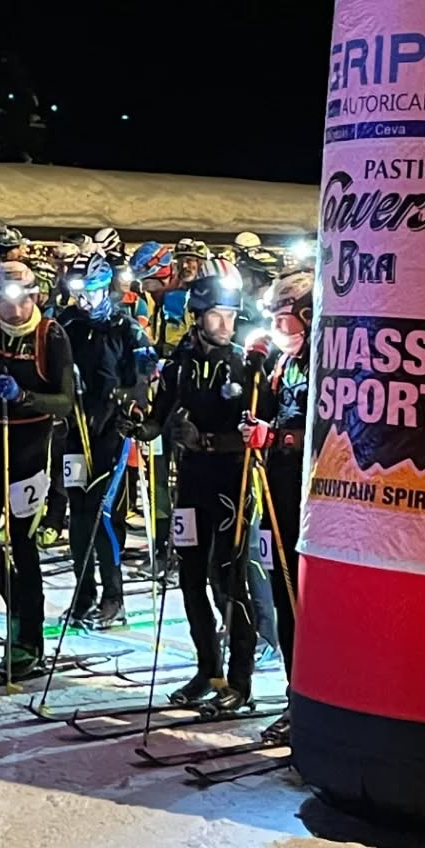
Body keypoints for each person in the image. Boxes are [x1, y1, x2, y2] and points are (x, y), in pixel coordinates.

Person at [121, 267, 258, 714]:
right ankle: (208, 670)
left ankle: (240, 679)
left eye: (231, 315)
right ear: (197, 316)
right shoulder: (180, 362)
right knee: (190, 577)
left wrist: (210, 440)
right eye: (217, 315)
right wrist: (139, 425)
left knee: (228, 579)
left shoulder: (244, 362)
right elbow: (159, 417)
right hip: (192, 481)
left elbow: (256, 431)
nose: (226, 324)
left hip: (231, 481)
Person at [0, 260, 77, 677]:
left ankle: (30, 637)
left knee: (22, 542)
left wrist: (23, 396)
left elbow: (65, 401)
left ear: (33, 298)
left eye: (18, 301)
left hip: (32, 447)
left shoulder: (51, 335)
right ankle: (16, 605)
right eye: (1, 302)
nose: (10, 310)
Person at [57, 253, 154, 628]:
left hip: (111, 430)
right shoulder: (67, 323)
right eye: (79, 293)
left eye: (91, 293)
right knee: (79, 513)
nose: (85, 301)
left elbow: (145, 376)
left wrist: (132, 403)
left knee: (104, 513)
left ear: (105, 289)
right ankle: (83, 594)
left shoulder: (125, 327)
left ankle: (114, 596)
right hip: (75, 429)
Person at [242, 266, 312, 747]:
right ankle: (294, 695)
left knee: (306, 601)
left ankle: (311, 698)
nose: (277, 330)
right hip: (277, 490)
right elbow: (265, 414)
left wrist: (280, 436)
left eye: (284, 320)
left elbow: (328, 431)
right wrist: (254, 425)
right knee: (284, 600)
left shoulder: (325, 360)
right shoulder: (283, 363)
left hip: (313, 498)